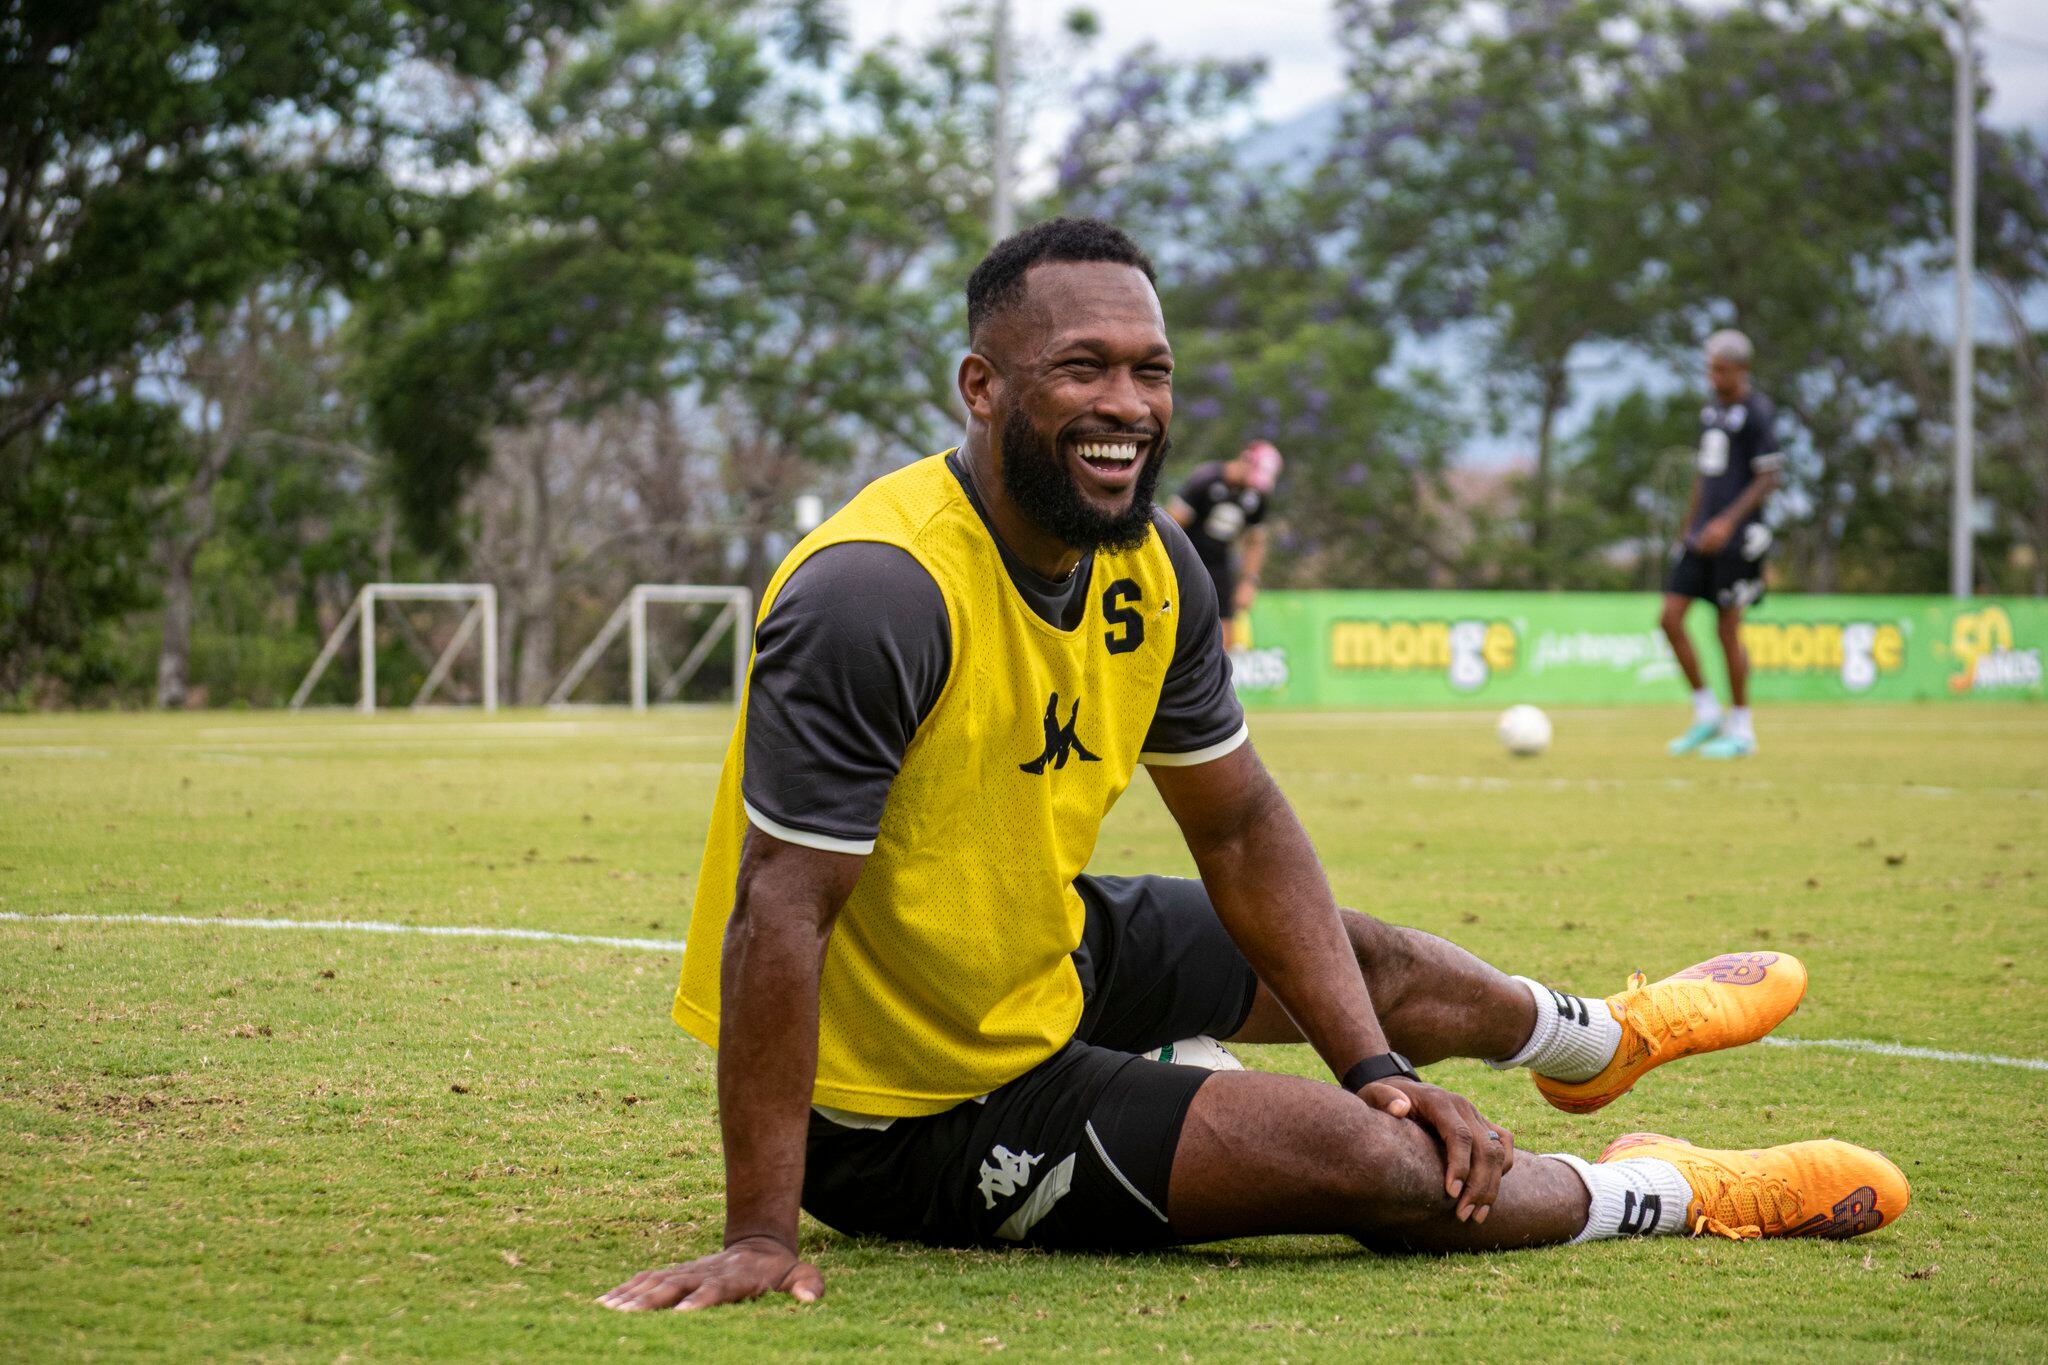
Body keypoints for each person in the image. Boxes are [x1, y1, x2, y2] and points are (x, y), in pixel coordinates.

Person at [601, 221, 1905, 1315]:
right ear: (981, 387)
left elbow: (1238, 831)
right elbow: (781, 907)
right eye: (1081, 369)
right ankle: (1666, 1186)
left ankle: (1602, 1039)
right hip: (899, 1111)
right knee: (1384, 1170)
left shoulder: (1155, 565)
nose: (1127, 405)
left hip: (1040, 951)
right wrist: (762, 1233)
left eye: (1151, 371)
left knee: (1361, 965)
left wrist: (1374, 1061)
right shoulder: (876, 594)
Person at [1661, 329, 1784, 760]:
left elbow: (1769, 477)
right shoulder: (1710, 412)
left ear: (1741, 370)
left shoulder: (1757, 413)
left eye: (1721, 369)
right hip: (1700, 537)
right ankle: (1705, 711)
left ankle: (1742, 727)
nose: (1713, 376)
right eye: (1710, 368)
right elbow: (1704, 473)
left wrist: (1727, 523)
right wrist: (1690, 526)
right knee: (1670, 618)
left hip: (1738, 540)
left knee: (1726, 628)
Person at [1168, 440, 1280, 649]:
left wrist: (1249, 581)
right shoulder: (1206, 480)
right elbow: (1172, 526)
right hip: (1187, 561)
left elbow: (1255, 541)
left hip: (1219, 564)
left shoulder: (1256, 496)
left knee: (1226, 633)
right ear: (1244, 459)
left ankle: (1216, 679)